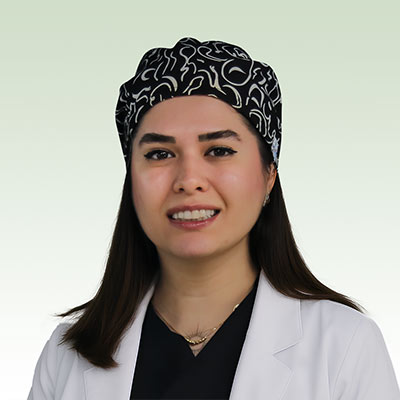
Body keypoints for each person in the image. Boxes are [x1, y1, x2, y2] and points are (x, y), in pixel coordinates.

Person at [27, 37, 400, 400]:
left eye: (219, 150)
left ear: (269, 174)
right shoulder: (66, 355)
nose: (189, 180)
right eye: (159, 154)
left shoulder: (344, 346)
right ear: (131, 179)